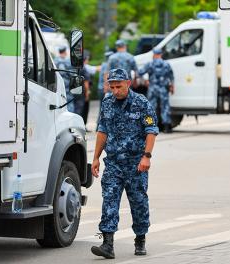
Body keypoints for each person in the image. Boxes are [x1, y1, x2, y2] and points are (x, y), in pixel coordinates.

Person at [91, 68, 159, 259]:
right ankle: (107, 244)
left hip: (136, 164)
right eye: (111, 86)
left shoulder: (141, 103)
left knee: (138, 202)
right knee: (109, 200)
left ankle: (140, 239)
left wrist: (147, 156)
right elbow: (102, 130)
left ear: (128, 84)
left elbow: (151, 130)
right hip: (113, 163)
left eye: (118, 86)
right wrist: (95, 157)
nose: (115, 90)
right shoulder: (107, 102)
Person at [139, 48, 175, 133]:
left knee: (151, 107)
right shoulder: (166, 64)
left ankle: (150, 127)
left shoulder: (150, 64)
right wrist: (172, 86)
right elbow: (171, 76)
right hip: (163, 89)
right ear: (161, 54)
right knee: (165, 107)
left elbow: (140, 72)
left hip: (153, 89)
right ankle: (166, 127)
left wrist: (145, 80)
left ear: (154, 55)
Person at [96, 51, 114, 130]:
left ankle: (99, 127)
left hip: (100, 89)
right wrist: (107, 89)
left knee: (102, 108)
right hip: (105, 90)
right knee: (106, 108)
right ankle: (102, 127)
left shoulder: (103, 64)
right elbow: (106, 77)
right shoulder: (108, 65)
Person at [55, 46, 74, 112]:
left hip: (57, 86)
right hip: (67, 87)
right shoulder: (68, 61)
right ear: (65, 52)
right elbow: (72, 74)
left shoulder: (55, 60)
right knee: (69, 104)